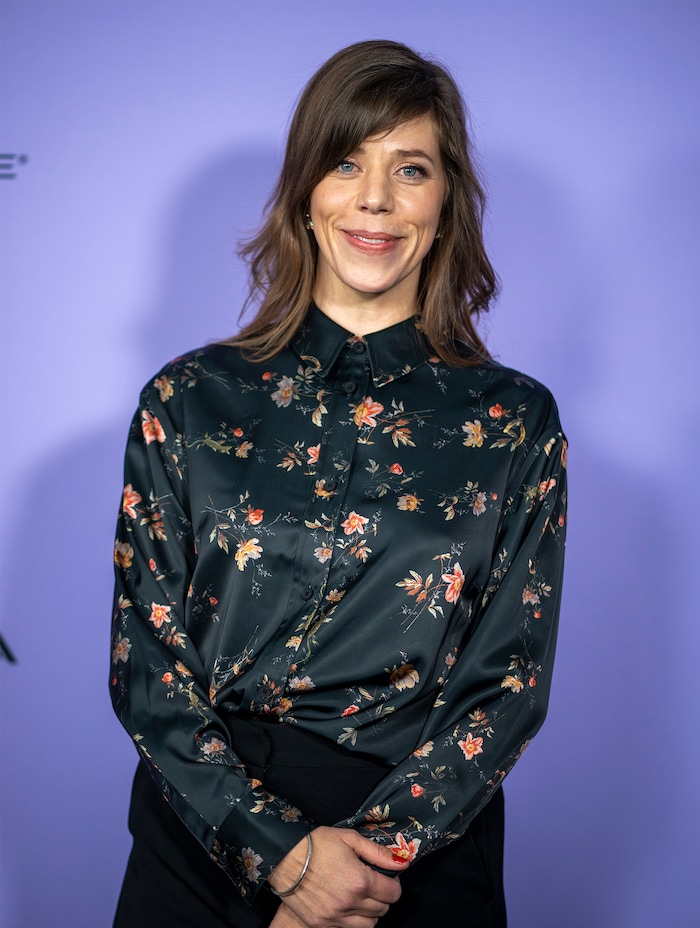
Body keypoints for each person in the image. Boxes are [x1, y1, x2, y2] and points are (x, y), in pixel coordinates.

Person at [110, 39, 567, 928]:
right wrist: (281, 856)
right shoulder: (188, 400)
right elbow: (149, 669)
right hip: (202, 841)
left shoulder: (515, 421)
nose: (375, 199)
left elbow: (507, 683)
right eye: (348, 161)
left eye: (412, 169)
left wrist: (350, 880)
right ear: (305, 190)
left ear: (446, 203)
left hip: (414, 859)